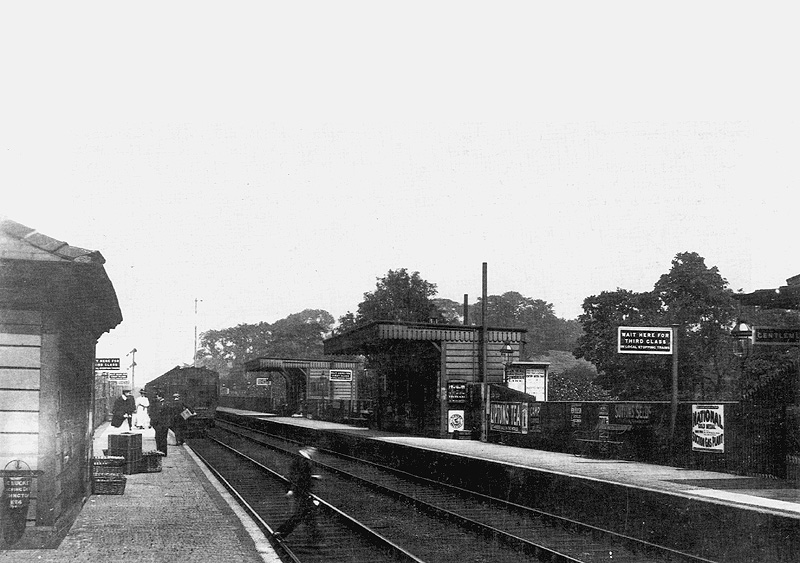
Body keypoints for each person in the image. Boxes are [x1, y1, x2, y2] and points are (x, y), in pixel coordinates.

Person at [273, 447, 321, 541]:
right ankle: (281, 532)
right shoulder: (301, 459)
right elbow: (295, 475)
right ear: (306, 448)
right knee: (302, 513)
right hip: (300, 491)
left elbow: (302, 474)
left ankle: (314, 538)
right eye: (312, 449)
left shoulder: (304, 458)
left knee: (305, 513)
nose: (314, 451)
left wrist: (313, 477)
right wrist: (291, 489)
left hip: (302, 491)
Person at [148, 390, 169, 456]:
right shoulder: (166, 403)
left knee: (161, 437)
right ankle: (161, 451)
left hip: (161, 424)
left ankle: (162, 451)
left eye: (157, 396)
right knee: (160, 437)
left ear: (159, 397)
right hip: (160, 424)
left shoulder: (156, 404)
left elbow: (152, 413)